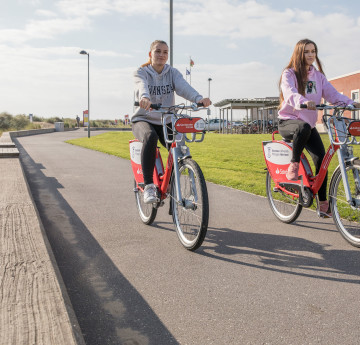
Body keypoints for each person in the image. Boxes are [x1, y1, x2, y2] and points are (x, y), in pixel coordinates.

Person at [277, 38, 360, 217]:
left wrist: (351, 103)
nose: (311, 55)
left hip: (308, 126)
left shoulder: (318, 76)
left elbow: (333, 94)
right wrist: (304, 102)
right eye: (307, 51)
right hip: (288, 121)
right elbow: (289, 93)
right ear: (299, 53)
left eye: (313, 51)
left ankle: (323, 204)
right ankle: (294, 163)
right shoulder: (289, 74)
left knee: (322, 160)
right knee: (304, 127)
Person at [132, 40, 211, 204]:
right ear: (150, 54)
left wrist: (199, 99)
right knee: (150, 136)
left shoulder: (172, 72)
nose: (161, 55)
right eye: (158, 51)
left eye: (165, 52)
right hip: (144, 118)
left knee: (179, 147)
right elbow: (142, 86)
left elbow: (183, 87)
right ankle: (148, 186)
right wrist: (144, 98)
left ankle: (169, 184)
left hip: (166, 118)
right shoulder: (142, 72)